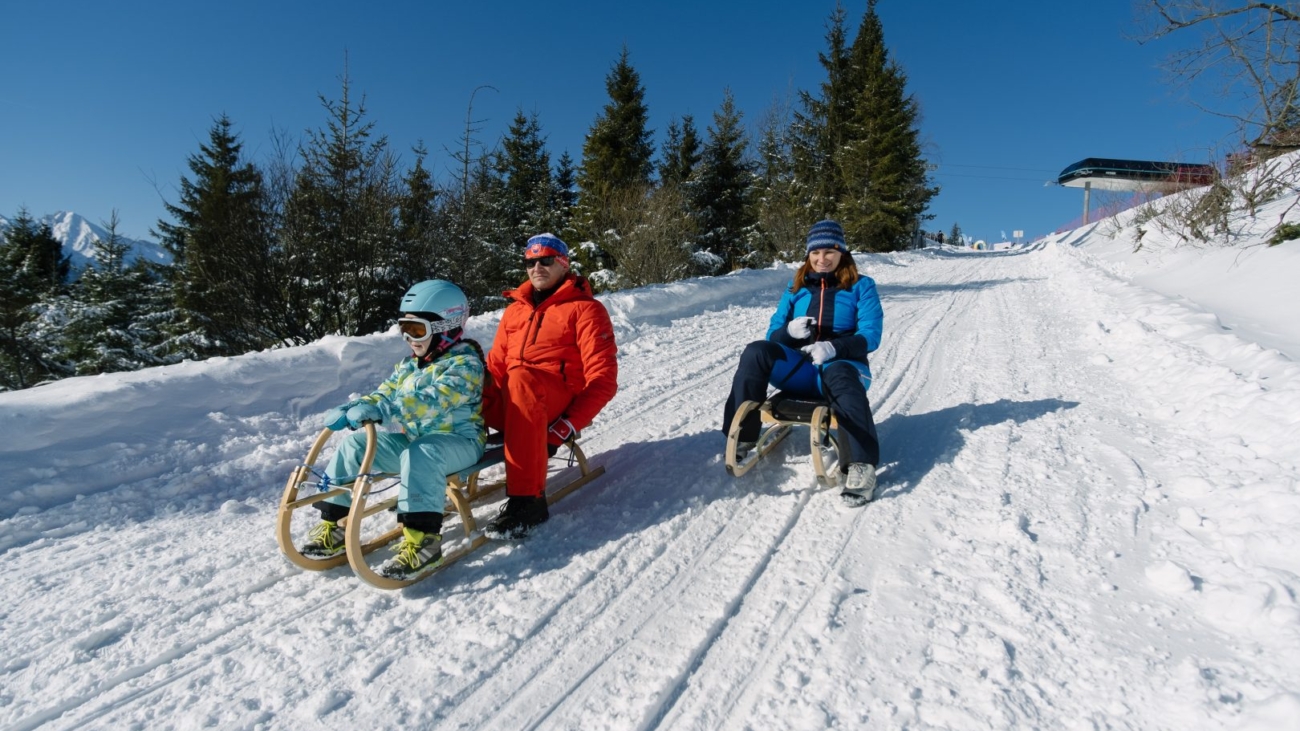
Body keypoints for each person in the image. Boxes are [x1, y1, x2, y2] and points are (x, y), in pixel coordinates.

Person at [301, 280, 486, 579]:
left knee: (421, 453)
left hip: (460, 443)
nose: (409, 338)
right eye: (404, 329)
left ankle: (423, 542)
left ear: (446, 327)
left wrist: (386, 410)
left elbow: (431, 401)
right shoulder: (408, 367)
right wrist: (357, 407)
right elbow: (384, 394)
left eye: (417, 330)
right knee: (354, 446)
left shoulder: (465, 365)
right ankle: (332, 524)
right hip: (417, 443)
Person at [721, 220, 884, 506]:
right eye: (815, 253)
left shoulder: (862, 286)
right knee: (756, 352)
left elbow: (871, 335)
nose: (822, 259)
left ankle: (860, 464)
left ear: (841, 252)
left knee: (843, 376)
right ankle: (744, 435)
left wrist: (834, 347)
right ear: (808, 255)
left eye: (829, 252)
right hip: (802, 369)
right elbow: (772, 333)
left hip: (843, 365)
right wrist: (788, 333)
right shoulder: (796, 286)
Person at [481, 233, 619, 539]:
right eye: (531, 262)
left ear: (563, 263)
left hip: (551, 401)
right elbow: (496, 366)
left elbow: (603, 380)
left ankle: (528, 502)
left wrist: (564, 428)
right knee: (461, 379)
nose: (536, 267)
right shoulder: (515, 310)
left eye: (545, 261)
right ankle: (431, 472)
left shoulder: (586, 310)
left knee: (521, 378)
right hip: (514, 400)